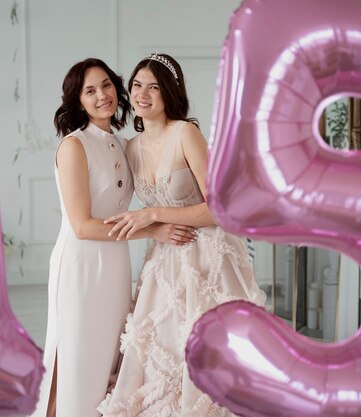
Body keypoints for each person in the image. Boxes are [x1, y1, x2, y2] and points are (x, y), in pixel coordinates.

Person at [97, 53, 267, 416]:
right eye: (138, 85)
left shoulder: (186, 133)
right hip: (163, 260)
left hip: (206, 256)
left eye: (154, 86)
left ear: (169, 92)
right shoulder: (130, 148)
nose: (143, 94)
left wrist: (154, 213)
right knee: (162, 349)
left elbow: (219, 208)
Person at [31, 58, 196, 417]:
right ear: (78, 101)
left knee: (106, 359)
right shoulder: (74, 146)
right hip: (81, 265)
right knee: (72, 356)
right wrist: (154, 228)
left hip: (116, 264)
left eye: (106, 85)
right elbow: (83, 225)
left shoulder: (123, 145)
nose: (102, 95)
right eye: (90, 91)